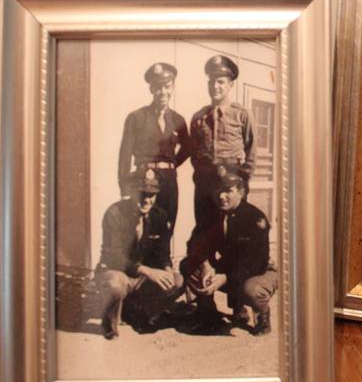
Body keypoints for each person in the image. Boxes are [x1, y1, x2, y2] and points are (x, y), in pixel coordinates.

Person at [180, 167, 277, 336]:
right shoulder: (212, 215)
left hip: (258, 271)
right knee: (188, 265)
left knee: (252, 290)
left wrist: (225, 278)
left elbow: (255, 262)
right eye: (218, 190)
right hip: (229, 268)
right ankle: (208, 314)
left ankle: (261, 313)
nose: (221, 196)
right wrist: (205, 265)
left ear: (241, 191)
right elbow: (194, 244)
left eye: (228, 191)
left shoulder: (255, 218)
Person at [96, 169, 185, 339]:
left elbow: (162, 252)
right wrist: (147, 271)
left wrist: (167, 268)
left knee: (177, 280)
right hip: (118, 271)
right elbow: (113, 255)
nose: (147, 200)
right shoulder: (115, 213)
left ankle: (142, 312)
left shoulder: (159, 215)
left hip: (142, 276)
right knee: (115, 284)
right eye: (142, 193)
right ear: (130, 191)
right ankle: (109, 322)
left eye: (152, 194)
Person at [117, 62, 189, 232]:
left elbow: (188, 149)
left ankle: (162, 259)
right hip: (144, 179)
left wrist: (171, 164)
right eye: (157, 87)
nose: (163, 92)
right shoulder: (136, 117)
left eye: (167, 86)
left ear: (172, 87)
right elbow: (125, 156)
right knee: (142, 228)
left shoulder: (178, 120)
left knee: (167, 226)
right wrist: (125, 189)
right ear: (151, 89)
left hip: (169, 181)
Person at [189, 54, 256, 232]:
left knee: (235, 227)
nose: (215, 86)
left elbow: (251, 148)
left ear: (230, 84)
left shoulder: (242, 114)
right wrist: (203, 174)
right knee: (205, 227)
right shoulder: (198, 117)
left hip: (232, 178)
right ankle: (206, 260)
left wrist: (243, 179)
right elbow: (194, 152)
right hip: (205, 181)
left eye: (220, 82)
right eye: (211, 82)